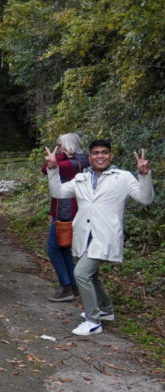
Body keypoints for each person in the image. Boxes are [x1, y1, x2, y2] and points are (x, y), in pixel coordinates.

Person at [44, 140, 153, 336]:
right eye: (95, 153)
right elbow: (58, 192)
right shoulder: (81, 178)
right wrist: (53, 169)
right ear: (90, 157)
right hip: (83, 236)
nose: (100, 156)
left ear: (110, 156)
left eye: (104, 152)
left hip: (106, 236)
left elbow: (145, 199)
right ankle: (105, 309)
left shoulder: (123, 178)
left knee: (81, 274)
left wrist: (144, 175)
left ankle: (93, 321)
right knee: (91, 275)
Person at [40, 133, 88, 302]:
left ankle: (66, 286)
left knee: (53, 248)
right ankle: (73, 286)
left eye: (60, 146)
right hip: (70, 211)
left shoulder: (70, 164)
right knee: (63, 248)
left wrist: (58, 156)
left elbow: (46, 169)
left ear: (67, 146)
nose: (58, 149)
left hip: (66, 213)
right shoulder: (84, 160)